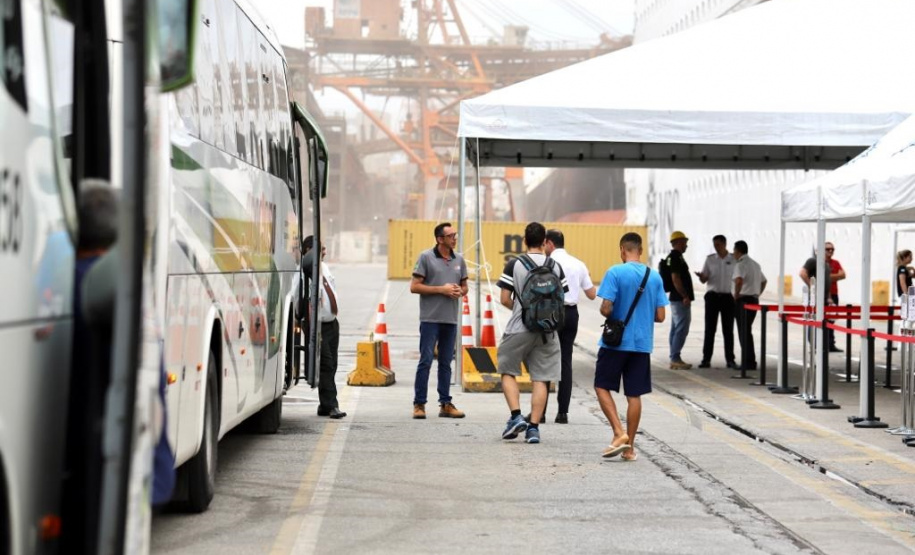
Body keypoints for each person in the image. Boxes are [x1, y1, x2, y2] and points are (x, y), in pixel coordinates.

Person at [595, 232, 667, 462]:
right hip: (642, 344)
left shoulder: (615, 272)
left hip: (616, 344)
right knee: (634, 394)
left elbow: (606, 308)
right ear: (640, 250)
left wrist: (614, 312)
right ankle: (629, 449)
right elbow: (661, 316)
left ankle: (619, 432)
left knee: (601, 386)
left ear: (622, 250)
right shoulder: (654, 276)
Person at [497, 222, 569, 444]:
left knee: (507, 370)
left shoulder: (514, 264)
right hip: (548, 330)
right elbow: (563, 298)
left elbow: (504, 299)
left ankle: (516, 416)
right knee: (541, 378)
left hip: (519, 328)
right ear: (545, 241)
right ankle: (534, 429)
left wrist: (525, 311)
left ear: (524, 240)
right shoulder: (555, 266)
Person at [536, 228, 597, 424]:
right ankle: (562, 413)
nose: (543, 247)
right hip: (571, 314)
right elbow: (592, 294)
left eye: (544, 244)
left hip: (551, 313)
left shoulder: (547, 263)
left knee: (546, 360)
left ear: (550, 243)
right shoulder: (578, 264)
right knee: (566, 361)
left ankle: (540, 413)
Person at [409, 222, 467, 419]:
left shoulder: (459, 259)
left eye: (455, 235)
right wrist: (441, 289)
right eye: (451, 236)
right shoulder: (426, 257)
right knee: (425, 361)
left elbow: (464, 286)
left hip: (450, 320)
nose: (455, 238)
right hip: (430, 319)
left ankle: (445, 404)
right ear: (440, 239)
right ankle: (419, 404)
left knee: (445, 363)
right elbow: (414, 286)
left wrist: (460, 291)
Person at [304, 236, 346, 419]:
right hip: (318, 325)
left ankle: (324, 405)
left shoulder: (324, 268)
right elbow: (302, 300)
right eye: (321, 249)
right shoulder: (304, 272)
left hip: (332, 324)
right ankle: (332, 405)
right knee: (326, 364)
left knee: (332, 364)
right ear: (308, 251)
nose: (325, 252)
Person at [695, 235, 737, 369]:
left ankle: (730, 359)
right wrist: (702, 277)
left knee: (728, 330)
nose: (716, 247)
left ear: (725, 244)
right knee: (710, 329)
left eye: (718, 244)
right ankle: (706, 359)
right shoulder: (710, 259)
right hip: (712, 297)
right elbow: (704, 280)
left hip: (728, 297)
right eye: (714, 245)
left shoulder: (734, 259)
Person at [733, 241, 767, 371]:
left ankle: (748, 362)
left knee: (743, 332)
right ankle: (750, 361)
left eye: (734, 251)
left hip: (743, 301)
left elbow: (739, 280)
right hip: (753, 300)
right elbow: (764, 281)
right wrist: (757, 293)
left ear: (738, 251)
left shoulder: (740, 264)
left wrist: (736, 294)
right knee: (747, 331)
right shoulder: (755, 264)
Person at [663, 231, 694, 369]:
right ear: (679, 242)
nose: (686, 245)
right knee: (681, 329)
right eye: (685, 242)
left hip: (676, 298)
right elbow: (675, 278)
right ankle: (675, 358)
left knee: (676, 328)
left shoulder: (674, 257)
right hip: (680, 299)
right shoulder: (675, 257)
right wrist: (685, 296)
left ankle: (674, 357)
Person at [825, 242, 846, 353]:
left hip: (834, 294)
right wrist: (835, 277)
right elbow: (819, 277)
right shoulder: (819, 263)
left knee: (832, 319)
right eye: (828, 249)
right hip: (823, 294)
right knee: (822, 319)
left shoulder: (835, 263)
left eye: (832, 249)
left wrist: (828, 276)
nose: (830, 251)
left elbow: (843, 275)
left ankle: (830, 343)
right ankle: (821, 343)